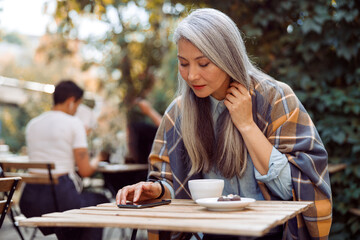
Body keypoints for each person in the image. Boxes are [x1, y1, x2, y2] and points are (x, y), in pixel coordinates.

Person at [116, 8, 332, 240]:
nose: (191, 76)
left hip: (271, 234)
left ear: (227, 57)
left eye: (204, 63)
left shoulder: (275, 98)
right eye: (184, 63)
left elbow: (297, 189)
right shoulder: (177, 114)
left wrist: (247, 125)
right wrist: (156, 190)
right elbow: (173, 185)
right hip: (210, 234)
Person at [20, 80, 109, 240]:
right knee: (100, 202)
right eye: (77, 105)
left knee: (78, 212)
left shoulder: (33, 124)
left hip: (31, 201)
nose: (76, 111)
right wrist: (99, 158)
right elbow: (85, 171)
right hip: (60, 200)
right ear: (70, 102)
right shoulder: (74, 124)